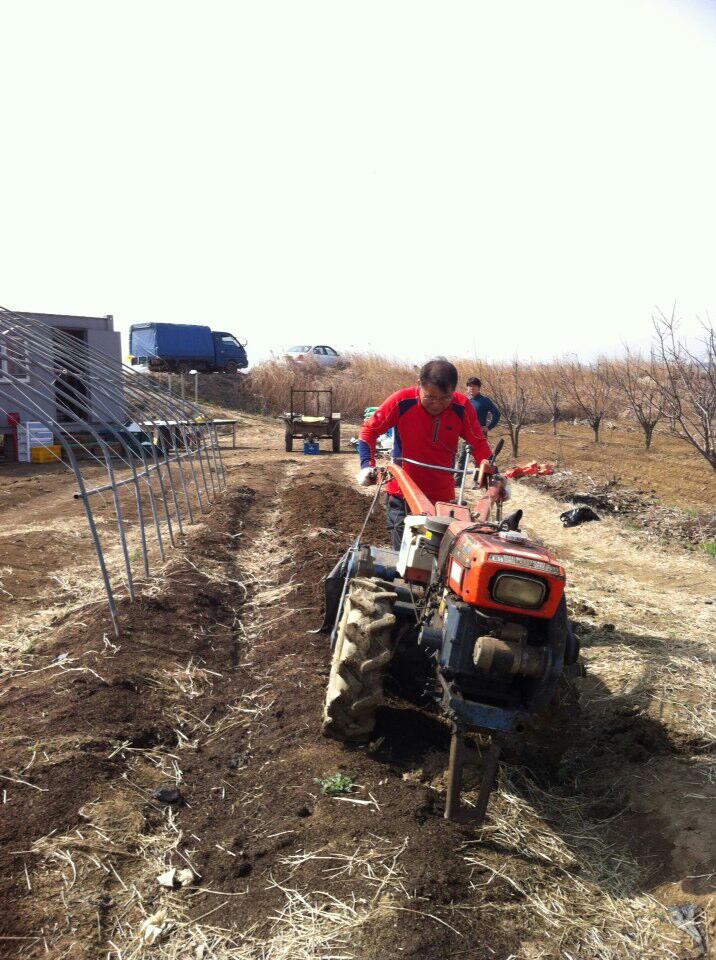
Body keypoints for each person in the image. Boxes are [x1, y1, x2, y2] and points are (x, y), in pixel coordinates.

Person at [356, 359, 492, 549]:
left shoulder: (461, 407)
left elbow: (478, 442)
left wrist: (489, 469)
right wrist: (366, 466)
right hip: (402, 495)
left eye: (444, 398)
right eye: (430, 397)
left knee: (434, 559)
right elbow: (369, 431)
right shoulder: (402, 401)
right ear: (419, 384)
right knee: (406, 556)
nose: (436, 404)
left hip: (442, 501)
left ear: (453, 391)